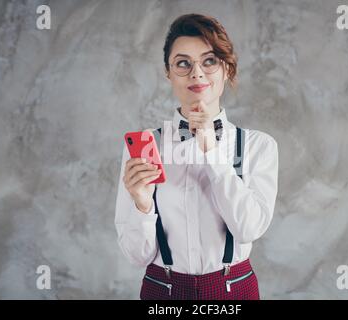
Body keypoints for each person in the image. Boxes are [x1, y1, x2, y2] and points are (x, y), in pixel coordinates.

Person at [115, 13, 278, 300]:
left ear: (226, 69)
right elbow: (137, 256)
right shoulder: (143, 147)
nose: (197, 73)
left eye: (209, 60)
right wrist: (141, 204)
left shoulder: (258, 146)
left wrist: (211, 151)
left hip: (233, 291)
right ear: (168, 72)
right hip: (162, 293)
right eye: (183, 63)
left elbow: (248, 228)